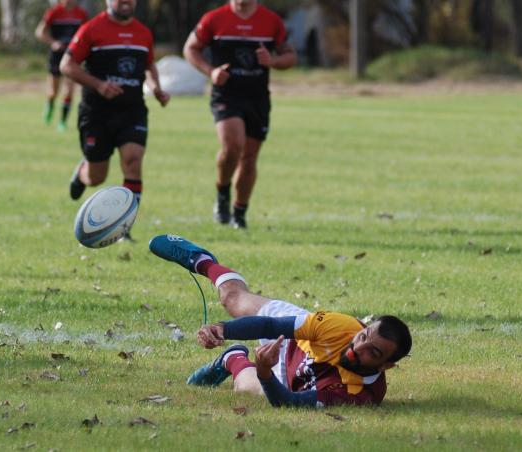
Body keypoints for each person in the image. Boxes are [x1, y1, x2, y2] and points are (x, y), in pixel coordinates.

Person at [148, 234, 412, 407]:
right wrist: (222, 329)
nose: (359, 347)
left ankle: (233, 359)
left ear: (387, 366)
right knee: (234, 300)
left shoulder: (358, 396)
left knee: (254, 390)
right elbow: (271, 326)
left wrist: (264, 371)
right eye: (364, 337)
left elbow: (286, 403)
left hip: (289, 381)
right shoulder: (340, 327)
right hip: (295, 340)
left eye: (372, 352)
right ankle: (202, 261)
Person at [61, 0, 169, 240]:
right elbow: (67, 65)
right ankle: (82, 172)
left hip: (132, 110)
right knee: (96, 176)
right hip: (97, 112)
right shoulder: (91, 29)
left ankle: (124, 228)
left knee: (132, 161)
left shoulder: (143, 32)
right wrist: (99, 85)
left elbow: (149, 65)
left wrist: (156, 88)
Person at [183, 0, 297, 229]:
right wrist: (211, 71)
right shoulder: (214, 19)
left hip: (257, 97)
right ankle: (223, 191)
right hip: (226, 95)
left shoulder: (270, 21)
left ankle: (239, 212)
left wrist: (272, 60)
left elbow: (290, 56)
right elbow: (190, 48)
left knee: (249, 157)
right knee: (233, 145)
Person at [35, 0, 88, 132]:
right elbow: (40, 32)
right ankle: (50, 104)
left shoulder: (81, 14)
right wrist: (53, 43)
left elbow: (87, 33)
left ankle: (62, 122)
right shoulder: (54, 12)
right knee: (54, 92)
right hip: (56, 55)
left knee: (69, 91)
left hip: (73, 56)